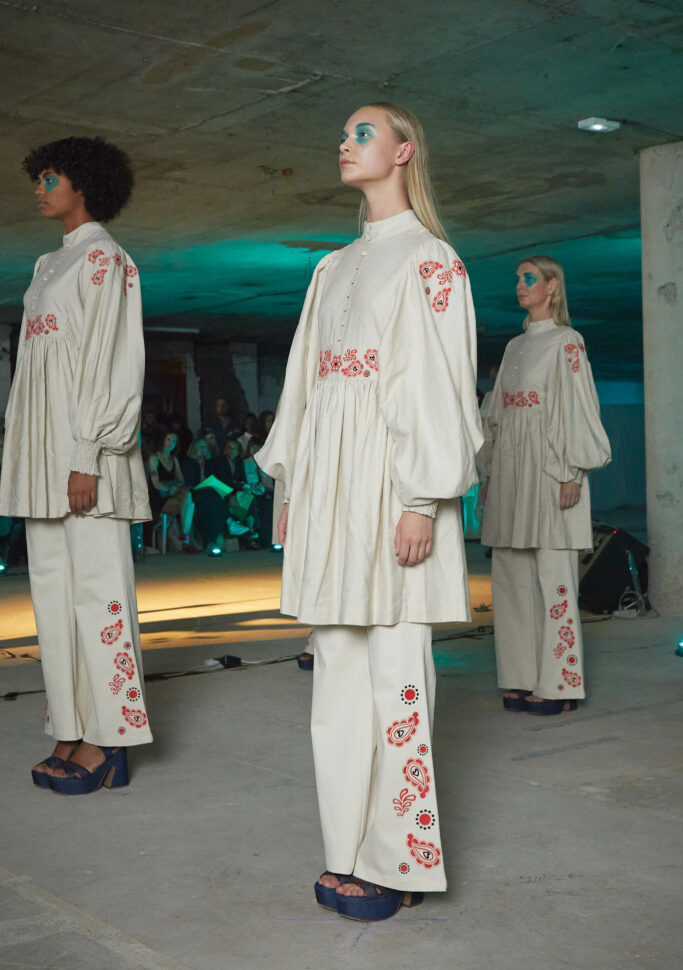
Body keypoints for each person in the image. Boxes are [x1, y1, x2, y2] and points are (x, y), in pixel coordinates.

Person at [256, 102, 482, 921]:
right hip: (329, 486)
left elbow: (441, 384)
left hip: (392, 487)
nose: (343, 143)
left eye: (362, 133)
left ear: (403, 150)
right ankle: (345, 849)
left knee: (396, 674)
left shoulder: (431, 259)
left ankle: (402, 861)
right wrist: (290, 486)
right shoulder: (331, 267)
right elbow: (302, 384)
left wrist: (422, 499)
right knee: (336, 673)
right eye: (342, 132)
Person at [0, 135, 153, 792]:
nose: (39, 188)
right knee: (53, 597)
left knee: (99, 593)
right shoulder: (47, 264)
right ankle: (69, 724)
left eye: (50, 177)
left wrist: (88, 452)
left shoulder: (105, 259)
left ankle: (110, 738)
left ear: (83, 183)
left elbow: (112, 360)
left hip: (85, 456)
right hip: (43, 458)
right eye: (38, 178)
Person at [478, 256, 611, 715]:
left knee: (554, 578)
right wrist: (489, 473)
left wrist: (573, 472)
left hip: (551, 472)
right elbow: (496, 414)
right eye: (518, 278)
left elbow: (579, 406)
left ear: (553, 287)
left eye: (530, 278)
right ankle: (520, 676)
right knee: (511, 577)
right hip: (511, 472)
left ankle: (560, 686)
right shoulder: (514, 346)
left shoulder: (567, 342)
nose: (521, 284)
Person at [148, 432, 192, 550]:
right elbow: (156, 484)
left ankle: (184, 533)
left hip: (173, 495)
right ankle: (185, 534)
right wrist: (170, 488)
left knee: (188, 497)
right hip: (159, 498)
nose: (170, 443)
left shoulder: (174, 459)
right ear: (163, 440)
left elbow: (181, 480)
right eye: (168, 440)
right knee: (188, 501)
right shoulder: (154, 458)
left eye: (173, 441)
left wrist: (175, 487)